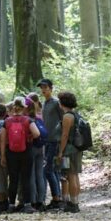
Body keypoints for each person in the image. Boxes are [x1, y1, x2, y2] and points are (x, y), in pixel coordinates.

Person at [0, 96, 39, 213]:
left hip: (11, 153)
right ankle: (27, 204)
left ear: (14, 107)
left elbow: (2, 139)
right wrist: (29, 136)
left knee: (13, 179)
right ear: (24, 107)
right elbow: (37, 133)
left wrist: (2, 155)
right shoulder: (28, 120)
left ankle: (11, 205)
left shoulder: (7, 121)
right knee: (26, 178)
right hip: (26, 151)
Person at [38, 78, 64, 209]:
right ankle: (57, 197)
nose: (43, 90)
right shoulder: (45, 103)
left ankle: (57, 198)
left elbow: (63, 119)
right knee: (51, 169)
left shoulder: (55, 103)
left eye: (46, 88)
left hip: (55, 140)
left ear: (51, 88)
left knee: (48, 170)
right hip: (47, 140)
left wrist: (61, 137)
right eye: (42, 88)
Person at [56, 91, 83, 213]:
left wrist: (60, 152)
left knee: (70, 175)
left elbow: (65, 135)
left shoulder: (67, 117)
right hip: (77, 149)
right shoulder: (76, 115)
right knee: (75, 175)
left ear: (62, 103)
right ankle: (75, 201)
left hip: (69, 150)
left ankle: (73, 204)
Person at [27, 96, 48, 212]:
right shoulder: (39, 118)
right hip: (41, 148)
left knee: (31, 175)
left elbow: (35, 134)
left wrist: (29, 137)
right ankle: (42, 200)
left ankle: (33, 201)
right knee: (40, 174)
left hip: (31, 148)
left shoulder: (27, 120)